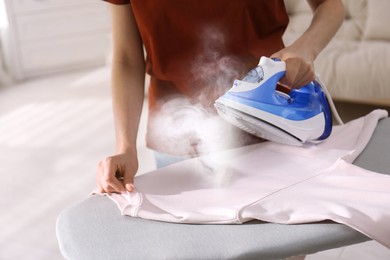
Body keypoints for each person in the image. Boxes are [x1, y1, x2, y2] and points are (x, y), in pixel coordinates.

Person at [96, 0, 345, 194]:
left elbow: (329, 4)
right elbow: (127, 58)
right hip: (178, 137)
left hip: (270, 128)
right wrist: (126, 147)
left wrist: (304, 49)